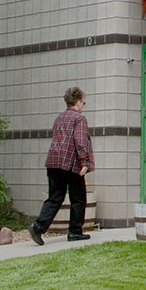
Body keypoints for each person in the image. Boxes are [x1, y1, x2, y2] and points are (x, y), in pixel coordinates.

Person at [31, 86, 95, 244]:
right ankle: (75, 231)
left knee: (55, 197)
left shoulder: (59, 118)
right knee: (79, 197)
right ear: (78, 102)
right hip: (71, 164)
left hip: (53, 163)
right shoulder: (79, 119)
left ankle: (38, 227)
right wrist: (84, 162)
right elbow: (80, 142)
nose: (83, 106)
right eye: (83, 102)